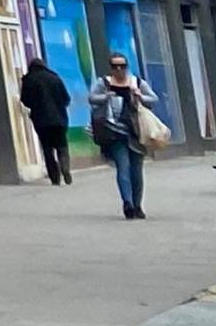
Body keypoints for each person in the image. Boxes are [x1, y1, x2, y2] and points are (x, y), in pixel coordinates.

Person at [85, 52, 167, 218]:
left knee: (137, 170)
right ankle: (128, 204)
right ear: (111, 68)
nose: (119, 69)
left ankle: (138, 205)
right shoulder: (104, 83)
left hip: (137, 131)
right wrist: (106, 96)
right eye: (115, 66)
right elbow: (92, 98)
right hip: (114, 130)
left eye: (122, 66)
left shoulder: (136, 82)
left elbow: (154, 99)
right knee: (123, 167)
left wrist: (140, 96)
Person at [18, 54, 73, 186]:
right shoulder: (54, 78)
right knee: (62, 145)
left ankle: (54, 177)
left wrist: (35, 106)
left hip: (41, 120)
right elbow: (66, 98)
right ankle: (65, 167)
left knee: (47, 149)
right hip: (59, 119)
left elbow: (25, 100)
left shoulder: (28, 80)